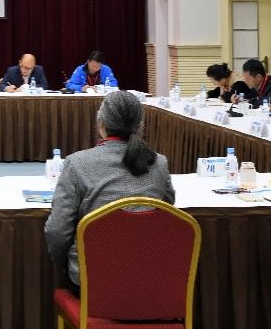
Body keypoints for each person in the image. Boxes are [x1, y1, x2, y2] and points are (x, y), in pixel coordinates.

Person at [44, 91, 174, 289]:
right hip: (149, 277)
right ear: (140, 126)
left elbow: (57, 230)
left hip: (93, 280)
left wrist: (66, 266)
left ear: (101, 124)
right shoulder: (159, 163)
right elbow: (167, 211)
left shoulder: (76, 163)